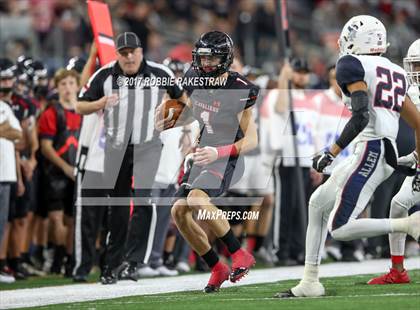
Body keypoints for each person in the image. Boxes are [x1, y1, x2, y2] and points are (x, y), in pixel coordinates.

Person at [277, 15, 420, 298]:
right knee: (318, 203)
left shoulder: (350, 64)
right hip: (377, 149)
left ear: (354, 39)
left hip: (371, 148)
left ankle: (408, 224)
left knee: (340, 228)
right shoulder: (394, 70)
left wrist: (330, 152)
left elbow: (361, 115)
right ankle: (310, 281)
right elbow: (418, 122)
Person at [76, 32, 186, 284]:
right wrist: (101, 102)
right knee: (117, 207)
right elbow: (80, 105)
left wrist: (173, 118)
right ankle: (112, 265)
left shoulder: (159, 73)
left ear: (140, 52)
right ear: (117, 54)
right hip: (116, 148)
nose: (128, 57)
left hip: (148, 146)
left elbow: (181, 97)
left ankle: (133, 263)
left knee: (144, 201)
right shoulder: (104, 75)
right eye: (123, 52)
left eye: (132, 52)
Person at [157, 31, 259, 293]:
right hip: (203, 152)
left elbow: (252, 140)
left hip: (226, 156)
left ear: (225, 59)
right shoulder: (193, 77)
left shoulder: (240, 89)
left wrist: (220, 152)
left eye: (212, 59)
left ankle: (239, 253)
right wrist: (170, 118)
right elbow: (193, 111)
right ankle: (216, 266)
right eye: (202, 58)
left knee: (196, 199)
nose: (205, 64)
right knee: (178, 211)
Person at [368, 38, 420, 285]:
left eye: (419, 65)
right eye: (414, 65)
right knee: (398, 205)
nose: (415, 71)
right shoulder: (412, 92)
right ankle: (398, 270)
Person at [38, 68, 82, 276]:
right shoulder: (51, 112)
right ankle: (58, 255)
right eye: (63, 84)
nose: (67, 88)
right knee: (56, 218)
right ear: (57, 88)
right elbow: (46, 146)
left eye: (71, 83)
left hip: (78, 171)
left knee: (72, 219)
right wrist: (65, 168)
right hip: (55, 172)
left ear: (77, 86)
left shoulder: (85, 111)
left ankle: (71, 258)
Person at [0, 58, 23, 283]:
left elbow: (18, 135)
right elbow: (11, 131)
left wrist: (3, 130)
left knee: (3, 222)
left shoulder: (6, 107)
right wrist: (5, 129)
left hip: (6, 173)